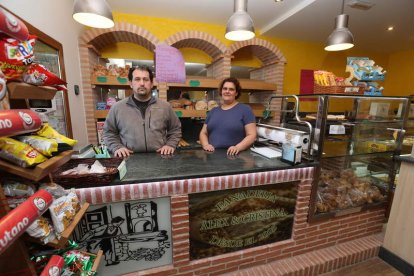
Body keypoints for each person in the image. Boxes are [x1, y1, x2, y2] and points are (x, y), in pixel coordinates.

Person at [103, 65, 181, 157]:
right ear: (131, 83)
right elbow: (108, 132)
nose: (142, 83)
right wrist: (117, 147)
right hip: (129, 159)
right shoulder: (117, 108)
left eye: (146, 79)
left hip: (160, 158)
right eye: (137, 79)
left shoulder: (165, 107)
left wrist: (170, 144)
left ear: (151, 83)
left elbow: (175, 129)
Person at [199, 77, 256, 155]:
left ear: (236, 93)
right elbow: (203, 133)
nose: (227, 91)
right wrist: (206, 145)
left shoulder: (245, 110)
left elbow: (252, 135)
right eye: (225, 88)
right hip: (212, 156)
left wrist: (237, 147)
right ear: (221, 91)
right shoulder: (213, 111)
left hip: (234, 156)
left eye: (231, 89)